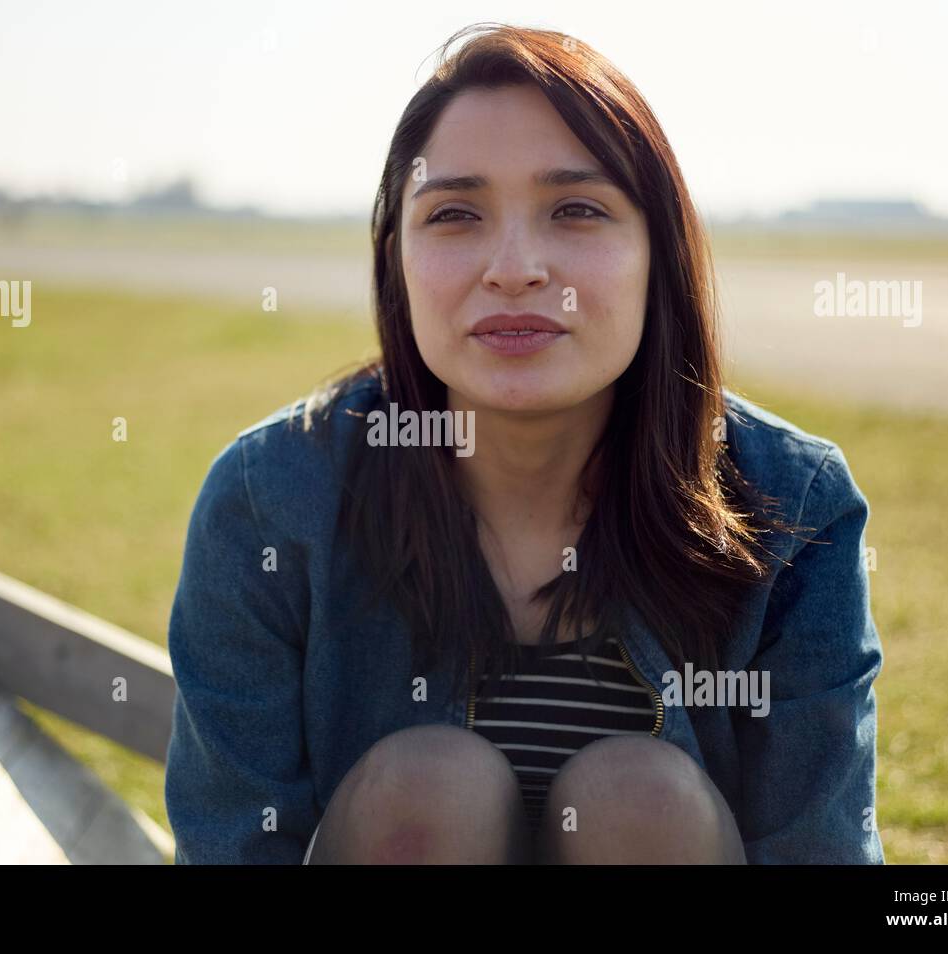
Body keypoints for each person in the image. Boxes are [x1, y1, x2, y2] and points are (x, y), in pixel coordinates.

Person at [165, 22, 884, 864]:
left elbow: (820, 851)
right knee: (431, 788)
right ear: (394, 257)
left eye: (575, 209)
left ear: (661, 253)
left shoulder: (789, 505)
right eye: (455, 213)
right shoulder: (268, 503)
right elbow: (234, 847)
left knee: (640, 799)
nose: (514, 267)